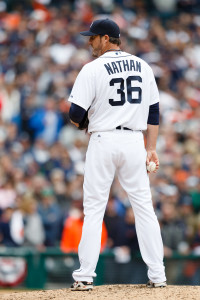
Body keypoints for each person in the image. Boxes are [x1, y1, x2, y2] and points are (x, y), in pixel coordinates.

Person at [68, 18, 167, 291]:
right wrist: (151, 148)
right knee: (144, 208)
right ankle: (158, 275)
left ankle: (85, 276)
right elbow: (154, 112)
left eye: (93, 37)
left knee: (94, 210)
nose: (89, 42)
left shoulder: (93, 68)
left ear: (106, 39)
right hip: (135, 141)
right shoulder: (143, 66)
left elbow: (75, 115)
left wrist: (90, 121)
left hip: (103, 139)